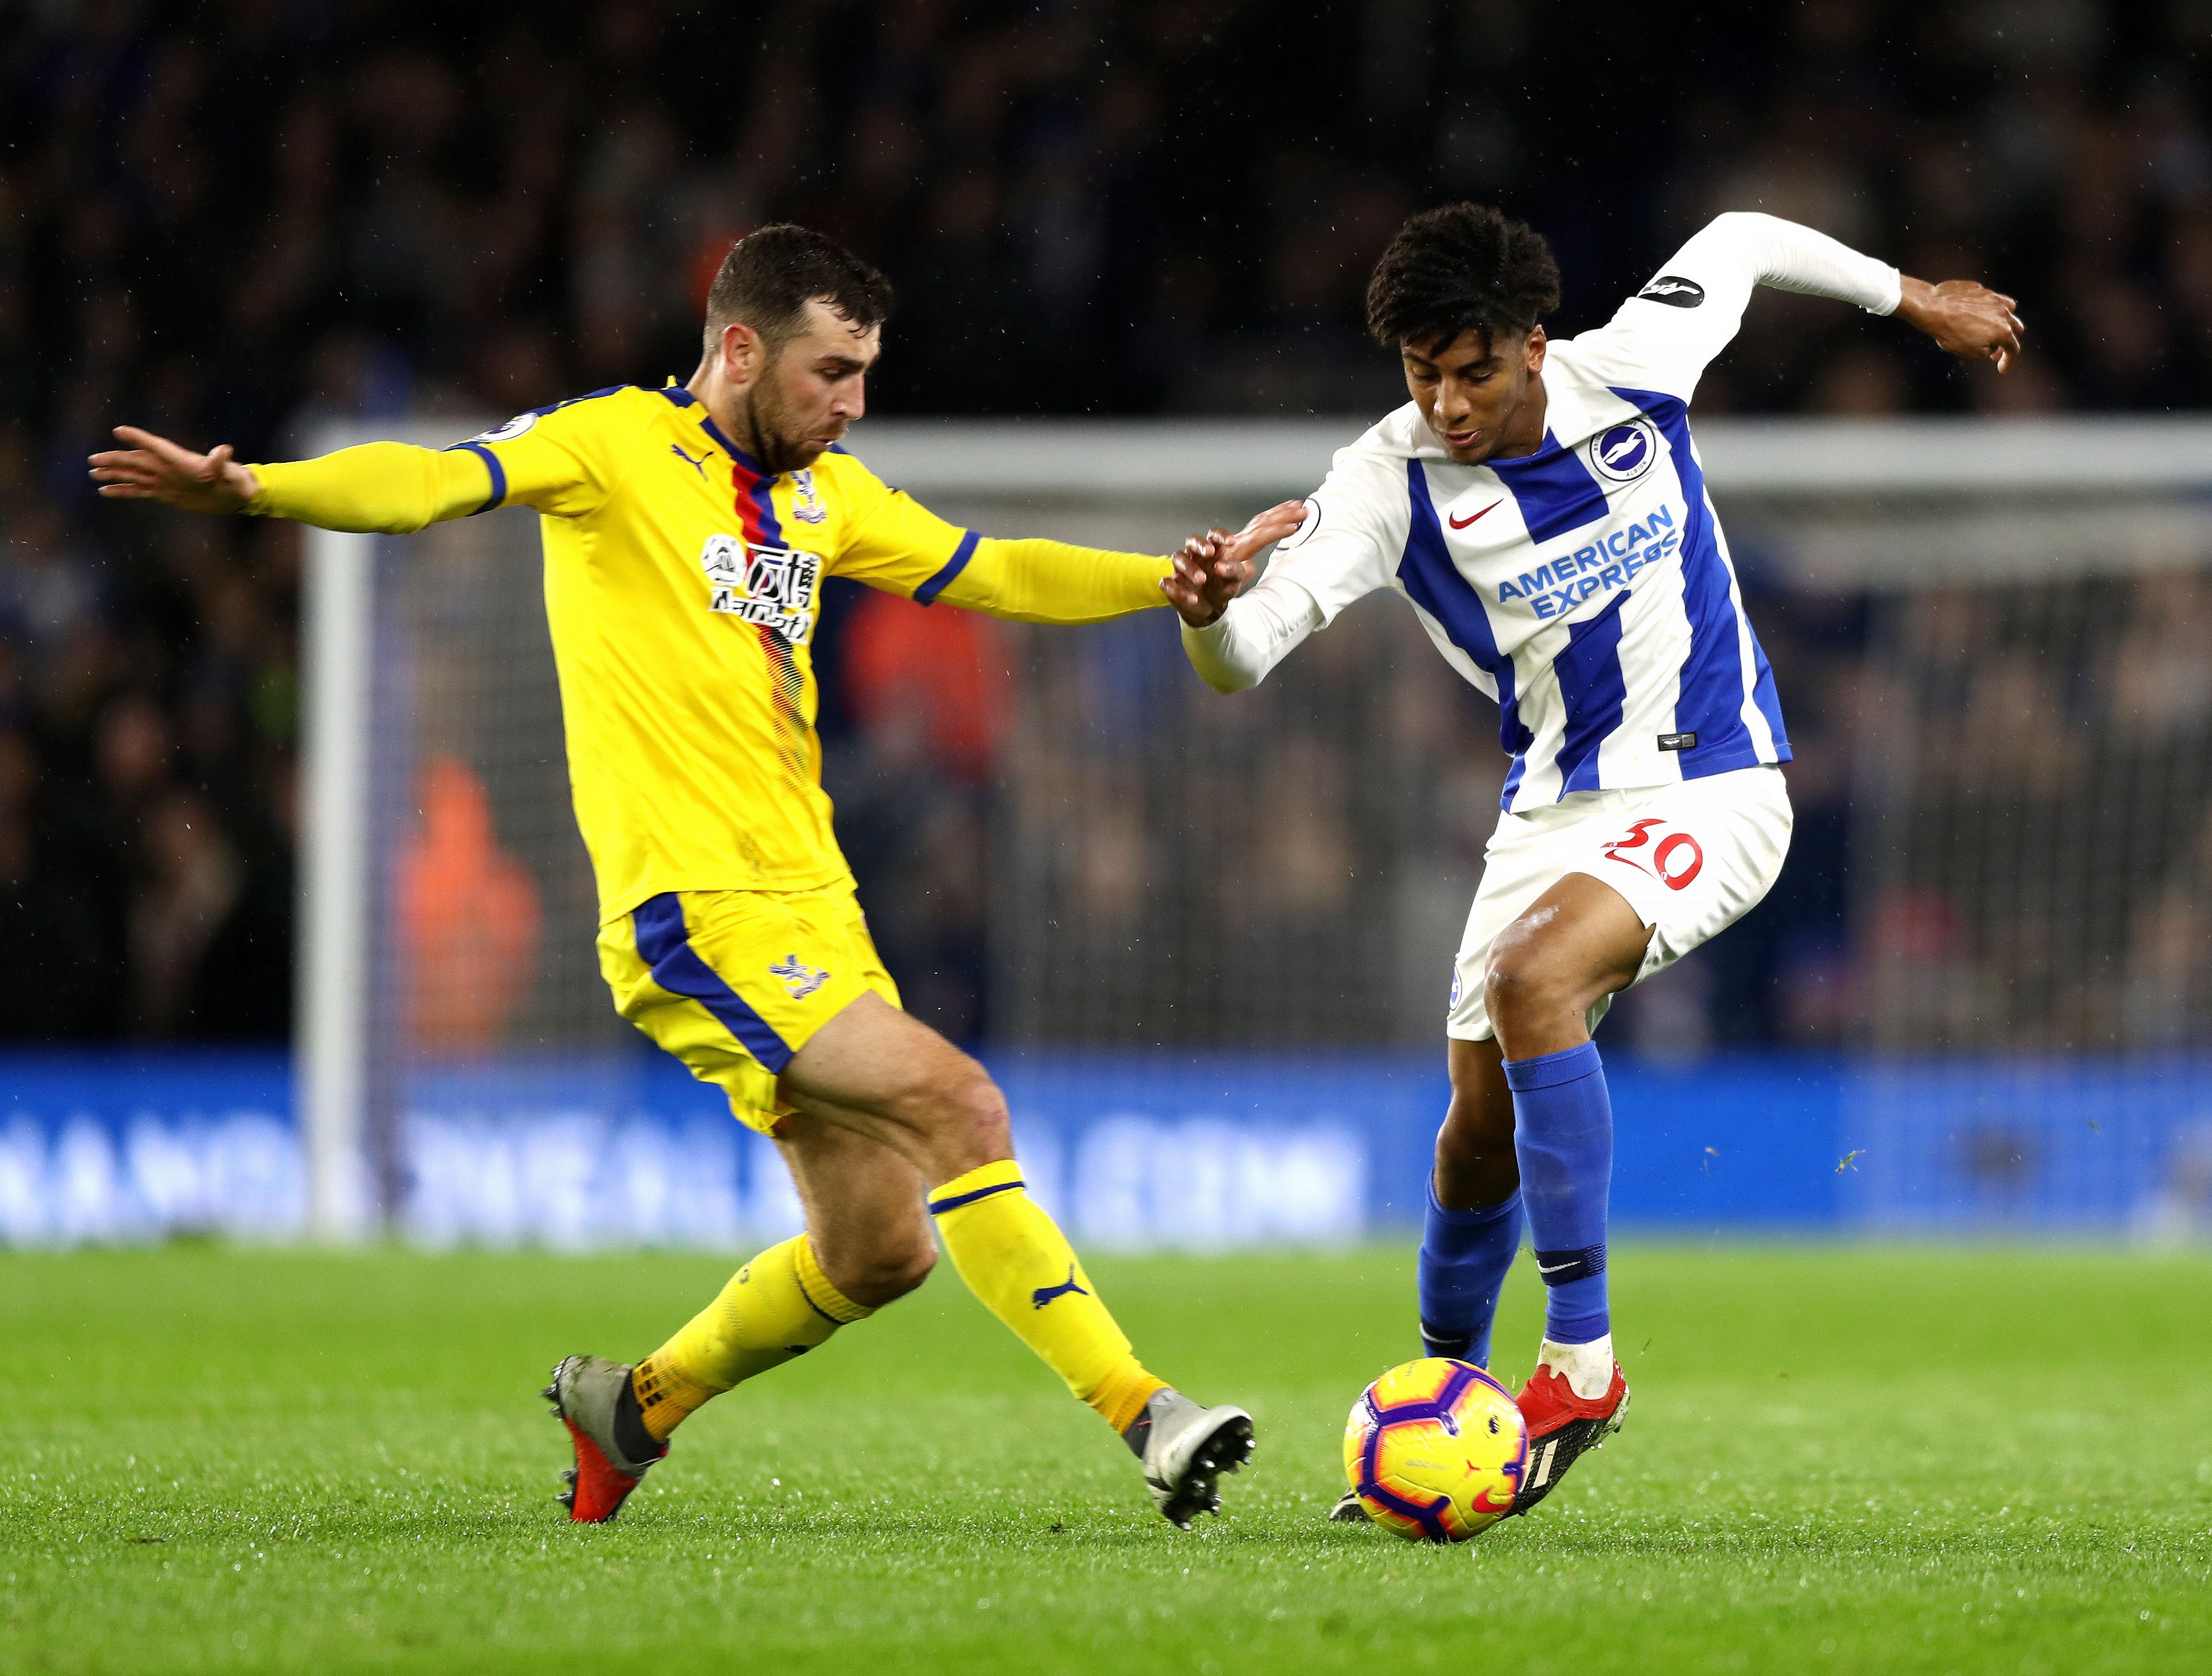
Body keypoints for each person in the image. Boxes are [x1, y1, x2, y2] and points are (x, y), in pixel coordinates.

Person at [91, 223, 1255, 1529]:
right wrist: (258, 490)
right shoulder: (609, 447)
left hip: (818, 909)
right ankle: (1147, 1416)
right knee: (964, 1109)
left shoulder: (829, 496)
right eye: (831, 371)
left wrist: (1167, 583)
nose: (852, 403)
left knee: (879, 1252)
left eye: (865, 373)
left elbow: (992, 569)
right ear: (740, 348)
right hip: (692, 914)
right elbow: (427, 481)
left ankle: (632, 1407)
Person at [1164, 204, 2021, 1520]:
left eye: (1472, 371)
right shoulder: (1386, 482)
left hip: (1719, 783)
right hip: (1550, 814)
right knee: (1470, 1142)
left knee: (1530, 985)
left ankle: (1582, 1363)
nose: (1445, 404)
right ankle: (1453, 1400)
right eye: (1420, 374)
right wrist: (1213, 615)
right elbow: (1247, 659)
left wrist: (1910, 298)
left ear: (1532, 344)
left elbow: (1738, 239)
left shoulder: (1634, 370)